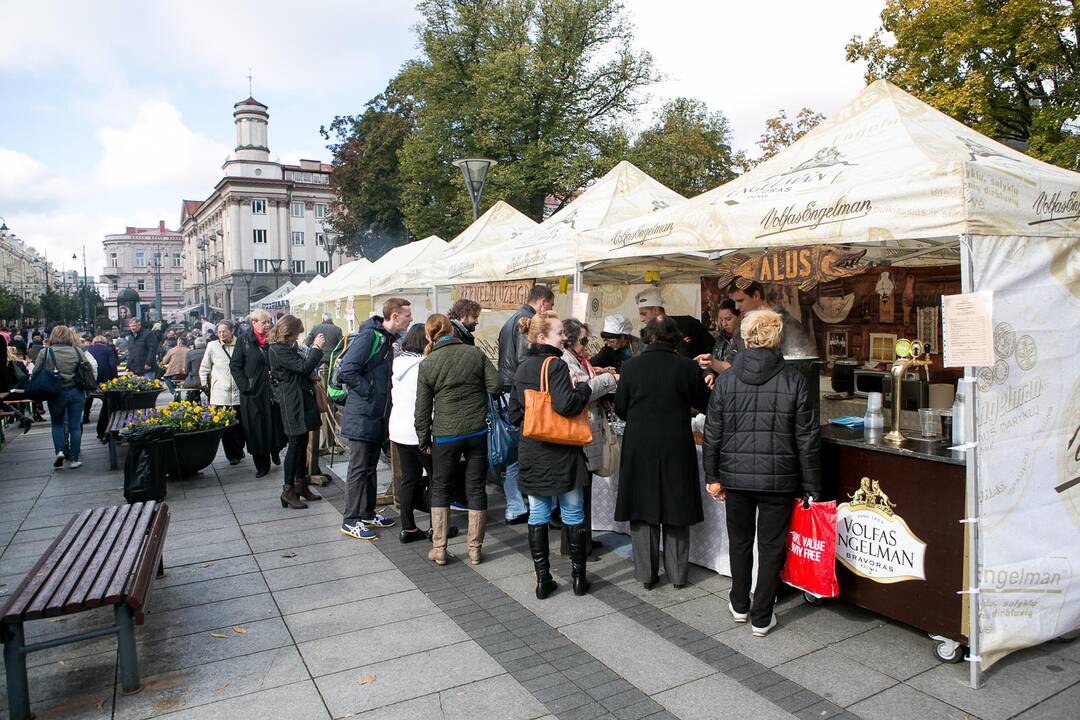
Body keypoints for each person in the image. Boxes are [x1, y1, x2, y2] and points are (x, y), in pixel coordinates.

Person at [702, 309, 822, 637]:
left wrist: (712, 476)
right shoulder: (795, 380)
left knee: (740, 541)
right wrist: (812, 485)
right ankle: (761, 614)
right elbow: (807, 439)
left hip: (736, 477)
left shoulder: (726, 380)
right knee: (771, 546)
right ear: (776, 339)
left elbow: (713, 433)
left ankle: (739, 603)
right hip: (778, 479)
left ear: (744, 339)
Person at [615, 316, 711, 591]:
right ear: (675, 338)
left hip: (639, 446)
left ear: (648, 337)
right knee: (676, 509)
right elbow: (704, 403)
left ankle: (647, 574)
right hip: (676, 444)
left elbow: (621, 407)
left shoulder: (631, 367)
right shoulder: (686, 367)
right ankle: (678, 575)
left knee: (643, 510)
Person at [509, 311, 593, 599]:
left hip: (532, 451)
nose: (564, 337)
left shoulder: (521, 368)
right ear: (542, 337)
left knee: (538, 514)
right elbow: (566, 406)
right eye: (559, 333)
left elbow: (513, 414)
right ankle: (579, 579)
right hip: (561, 451)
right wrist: (583, 389)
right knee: (572, 512)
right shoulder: (555, 364)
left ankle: (543, 579)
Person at [414, 314, 501, 566]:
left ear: (429, 336)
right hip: (476, 433)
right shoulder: (474, 354)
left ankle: (439, 549)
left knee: (440, 487)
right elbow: (495, 386)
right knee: (475, 488)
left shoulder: (428, 363)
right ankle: (475, 550)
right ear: (452, 330)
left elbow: (421, 409)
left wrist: (423, 439)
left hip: (445, 435)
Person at [337, 298, 412, 541]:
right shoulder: (370, 337)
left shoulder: (386, 339)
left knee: (369, 466)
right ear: (394, 316)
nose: (410, 319)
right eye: (407, 315)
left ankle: (367, 513)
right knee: (358, 468)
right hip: (362, 413)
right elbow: (347, 370)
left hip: (375, 414)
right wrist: (370, 391)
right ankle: (350, 520)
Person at [389, 325, 461, 544]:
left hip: (399, 428)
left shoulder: (398, 363)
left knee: (409, 478)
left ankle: (408, 528)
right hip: (420, 430)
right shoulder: (424, 364)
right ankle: (436, 527)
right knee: (436, 478)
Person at [498, 284, 555, 525]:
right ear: (542, 302)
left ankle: (516, 506)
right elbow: (526, 361)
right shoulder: (527, 321)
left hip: (511, 392)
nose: (550, 310)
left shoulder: (511, 319)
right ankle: (521, 506)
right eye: (550, 306)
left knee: (514, 452)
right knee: (522, 452)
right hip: (523, 396)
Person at [560, 318, 616, 556]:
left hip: (587, 429)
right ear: (570, 340)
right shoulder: (566, 361)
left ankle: (584, 540)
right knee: (578, 492)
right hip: (579, 432)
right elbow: (584, 389)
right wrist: (610, 379)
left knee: (585, 490)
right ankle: (575, 546)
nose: (586, 345)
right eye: (582, 340)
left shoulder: (579, 359)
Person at [268, 315, 325, 510]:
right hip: (292, 400)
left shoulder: (289, 347)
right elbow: (304, 367)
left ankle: (301, 484)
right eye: (296, 334)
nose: (297, 337)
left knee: (302, 443)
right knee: (295, 444)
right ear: (288, 332)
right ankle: (288, 490)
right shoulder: (277, 349)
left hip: (302, 398)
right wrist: (316, 349)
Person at [230, 309, 285, 478]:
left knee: (276, 426)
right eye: (264, 322)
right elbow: (235, 366)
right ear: (254, 323)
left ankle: (275, 449)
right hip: (253, 394)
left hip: (272, 392)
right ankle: (262, 464)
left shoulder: (272, 339)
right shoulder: (244, 340)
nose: (267, 325)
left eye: (269, 322)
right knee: (256, 429)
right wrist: (246, 385)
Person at [33, 326, 92, 469]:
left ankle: (60, 451)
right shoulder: (77, 351)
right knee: (75, 426)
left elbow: (36, 371)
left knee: (57, 424)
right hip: (76, 392)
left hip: (55, 393)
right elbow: (88, 368)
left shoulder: (45, 352)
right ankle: (74, 459)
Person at [729, 281, 815, 357]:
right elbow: (730, 365)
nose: (736, 307)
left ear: (756, 295)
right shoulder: (740, 331)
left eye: (740, 301)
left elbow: (803, 357)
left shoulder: (787, 325)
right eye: (735, 302)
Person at [202, 321, 244, 465]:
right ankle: (233, 455)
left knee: (240, 426)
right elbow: (205, 367)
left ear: (231, 331)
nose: (221, 334)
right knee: (227, 427)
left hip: (239, 392)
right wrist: (204, 384)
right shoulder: (212, 346)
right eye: (219, 332)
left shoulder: (241, 344)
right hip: (220, 393)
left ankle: (239, 449)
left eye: (224, 331)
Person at [634, 287, 714, 359]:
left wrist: (708, 372)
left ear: (656, 310)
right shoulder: (646, 334)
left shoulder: (688, 323)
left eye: (644, 314)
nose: (641, 319)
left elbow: (711, 346)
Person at [695, 298, 741, 375]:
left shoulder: (744, 340)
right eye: (721, 320)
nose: (724, 324)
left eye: (728, 319)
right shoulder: (720, 339)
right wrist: (710, 374)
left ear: (739, 317)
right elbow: (714, 359)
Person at [82, 335, 119, 423]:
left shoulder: (88, 349)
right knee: (106, 397)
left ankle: (86, 416)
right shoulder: (108, 350)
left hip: (92, 378)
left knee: (89, 397)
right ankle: (107, 416)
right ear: (104, 341)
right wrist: (115, 379)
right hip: (105, 378)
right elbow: (112, 365)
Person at [181, 336, 207, 402]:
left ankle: (195, 404)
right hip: (208, 380)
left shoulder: (190, 353)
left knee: (192, 392)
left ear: (195, 345)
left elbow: (187, 370)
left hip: (194, 381)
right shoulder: (208, 352)